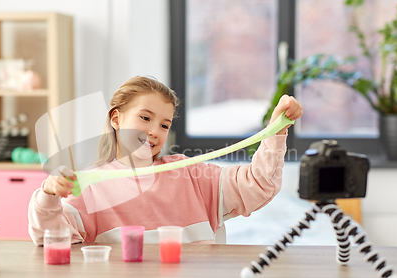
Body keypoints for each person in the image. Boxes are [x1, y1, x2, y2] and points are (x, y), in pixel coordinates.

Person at [28, 76, 303, 245]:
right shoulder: (91, 187)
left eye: (164, 124)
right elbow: (50, 237)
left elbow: (258, 184)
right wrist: (49, 194)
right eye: (145, 118)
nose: (153, 131)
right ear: (116, 119)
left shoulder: (191, 174)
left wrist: (276, 130)